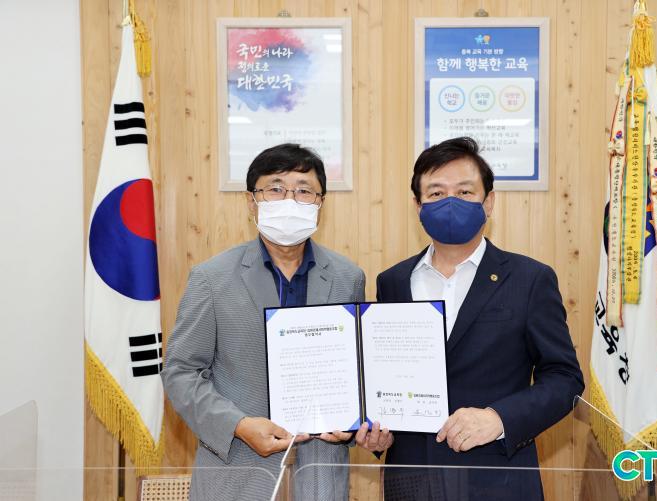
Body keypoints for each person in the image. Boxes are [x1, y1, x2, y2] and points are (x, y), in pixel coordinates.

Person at [355, 137, 584, 500]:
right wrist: (380, 432)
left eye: (464, 192)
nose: (450, 202)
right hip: (412, 480)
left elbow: (565, 378)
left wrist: (499, 418)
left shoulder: (529, 279)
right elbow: (389, 376)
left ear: (488, 201)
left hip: (498, 479)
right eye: (436, 193)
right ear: (418, 205)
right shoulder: (393, 281)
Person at [162, 144, 365, 501]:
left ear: (320, 203)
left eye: (304, 190)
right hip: (237, 477)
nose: (290, 200)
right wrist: (238, 426)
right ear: (251, 201)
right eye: (275, 188)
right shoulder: (212, 279)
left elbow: (357, 373)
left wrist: (351, 424)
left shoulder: (348, 277)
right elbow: (181, 372)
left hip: (320, 479)